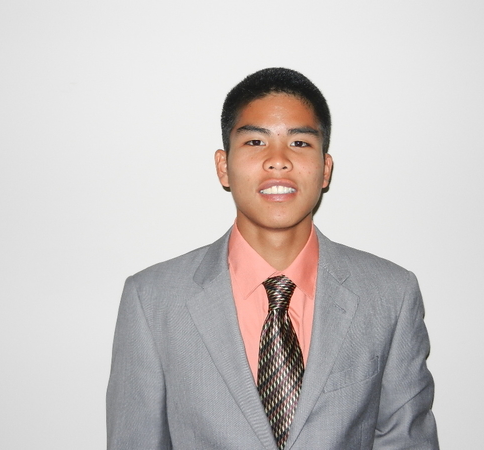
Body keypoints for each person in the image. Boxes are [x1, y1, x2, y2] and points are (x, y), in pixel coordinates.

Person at [106, 68, 439, 449]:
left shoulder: (390, 294)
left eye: (299, 143)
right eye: (255, 142)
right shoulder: (152, 300)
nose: (278, 160)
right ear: (223, 166)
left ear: (325, 169)